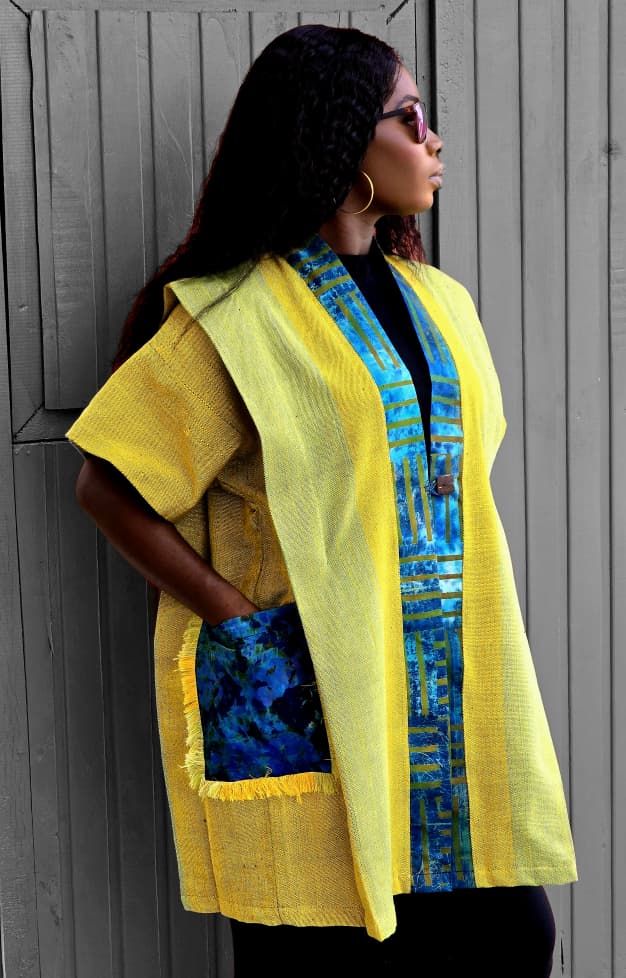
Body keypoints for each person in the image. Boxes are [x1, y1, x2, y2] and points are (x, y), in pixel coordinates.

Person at [67, 24, 577, 977]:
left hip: (447, 692)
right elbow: (109, 482)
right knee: (321, 950)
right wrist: (238, 620)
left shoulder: (442, 303)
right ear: (342, 141)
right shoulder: (237, 314)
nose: (433, 138)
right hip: (307, 688)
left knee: (512, 938)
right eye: (409, 117)